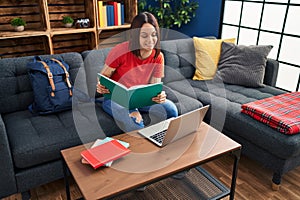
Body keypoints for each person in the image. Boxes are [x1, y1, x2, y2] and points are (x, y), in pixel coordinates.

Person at [96, 12, 178, 132]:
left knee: (172, 109)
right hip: (117, 99)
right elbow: (103, 77)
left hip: (141, 99)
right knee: (136, 123)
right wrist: (100, 86)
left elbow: (154, 87)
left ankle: (161, 139)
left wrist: (160, 96)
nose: (150, 40)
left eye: (154, 35)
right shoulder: (120, 51)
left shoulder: (158, 56)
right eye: (144, 36)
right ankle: (145, 147)